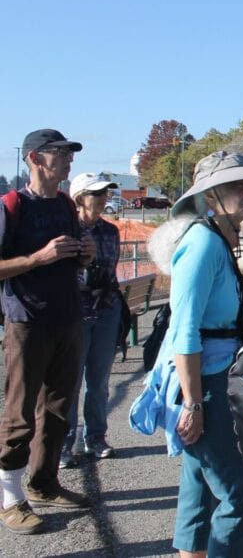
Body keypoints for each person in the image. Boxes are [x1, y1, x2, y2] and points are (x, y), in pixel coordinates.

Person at [165, 151, 243, 557]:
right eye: (238, 185)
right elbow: (184, 331)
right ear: (211, 195)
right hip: (209, 384)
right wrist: (194, 403)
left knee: (198, 487)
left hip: (215, 378)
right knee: (241, 494)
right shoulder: (203, 244)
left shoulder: (213, 239)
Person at [0, 129, 95, 535]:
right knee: (20, 412)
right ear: (35, 159)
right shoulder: (11, 205)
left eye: (69, 153)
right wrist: (39, 257)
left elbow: (68, 260)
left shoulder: (64, 206)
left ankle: (44, 481)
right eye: (60, 153)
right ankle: (10, 499)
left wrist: (83, 257)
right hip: (26, 321)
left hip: (67, 317)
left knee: (58, 410)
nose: (69, 160)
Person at [61, 173, 122, 468]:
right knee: (70, 382)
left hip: (106, 312)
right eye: (95, 193)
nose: (102, 198)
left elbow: (111, 271)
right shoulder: (67, 231)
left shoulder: (110, 232)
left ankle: (96, 437)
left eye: (105, 193)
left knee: (98, 381)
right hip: (76, 314)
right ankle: (64, 444)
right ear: (79, 198)